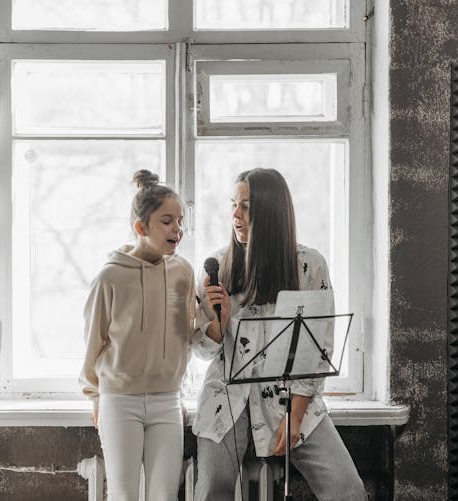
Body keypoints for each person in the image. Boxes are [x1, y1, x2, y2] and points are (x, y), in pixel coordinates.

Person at [191, 168, 366, 500]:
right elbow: (202, 352)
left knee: (348, 490)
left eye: (245, 206)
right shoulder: (217, 265)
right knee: (212, 489)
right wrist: (218, 322)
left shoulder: (309, 265)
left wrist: (295, 415)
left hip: (292, 397)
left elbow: (318, 348)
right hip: (226, 399)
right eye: (233, 204)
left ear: (270, 213)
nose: (235, 215)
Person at [80, 169, 196, 501]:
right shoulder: (110, 278)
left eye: (180, 221)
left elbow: (185, 337)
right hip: (120, 401)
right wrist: (95, 396)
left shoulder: (183, 273)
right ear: (141, 227)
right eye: (167, 221)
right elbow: (93, 342)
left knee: (164, 495)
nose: (178, 229)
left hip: (167, 401)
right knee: (124, 494)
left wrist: (180, 393)